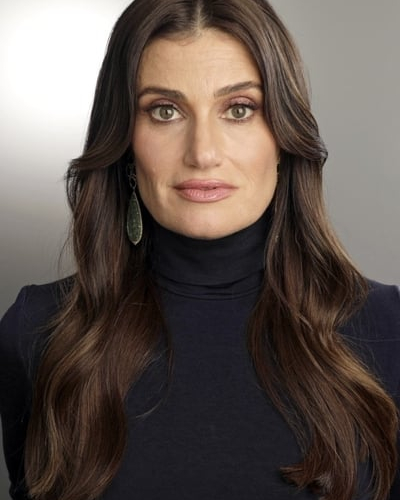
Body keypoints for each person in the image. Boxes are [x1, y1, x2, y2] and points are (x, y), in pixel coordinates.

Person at [0, 0, 399, 499]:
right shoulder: (37, 331)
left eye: (239, 109)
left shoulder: (389, 328)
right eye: (165, 111)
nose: (203, 153)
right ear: (124, 140)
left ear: (283, 137)